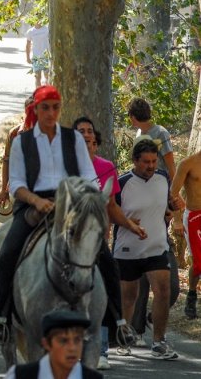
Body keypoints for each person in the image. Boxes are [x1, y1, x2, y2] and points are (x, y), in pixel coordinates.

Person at [0, 85, 97, 344]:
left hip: (70, 204)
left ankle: (117, 321)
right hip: (32, 205)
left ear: (61, 109)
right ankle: (2, 318)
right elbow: (15, 183)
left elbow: (89, 176)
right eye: (45, 107)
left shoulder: (73, 139)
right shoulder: (22, 141)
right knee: (5, 256)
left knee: (101, 254)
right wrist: (36, 200)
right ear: (35, 109)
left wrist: (78, 198)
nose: (51, 113)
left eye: (55, 107)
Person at [73, 116, 141, 369]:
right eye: (81, 132)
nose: (87, 135)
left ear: (95, 141)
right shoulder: (63, 167)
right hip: (68, 238)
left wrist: (130, 225)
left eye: (90, 132)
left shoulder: (106, 167)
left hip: (95, 239)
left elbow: (111, 207)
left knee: (110, 274)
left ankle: (113, 335)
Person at [115, 137, 181, 360]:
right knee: (128, 297)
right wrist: (129, 224)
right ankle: (124, 338)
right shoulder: (122, 182)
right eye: (146, 162)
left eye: (154, 161)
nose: (151, 166)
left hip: (157, 246)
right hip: (127, 248)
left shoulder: (163, 177)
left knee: (164, 291)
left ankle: (159, 342)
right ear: (135, 161)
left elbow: (167, 203)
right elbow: (110, 213)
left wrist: (173, 206)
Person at [127, 97, 180, 342]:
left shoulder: (161, 133)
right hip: (143, 200)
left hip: (161, 198)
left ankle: (152, 317)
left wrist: (171, 195)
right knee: (141, 273)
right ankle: (136, 328)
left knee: (163, 273)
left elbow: (171, 166)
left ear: (133, 117)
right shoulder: (140, 133)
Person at [4, 310, 103, 379]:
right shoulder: (19, 375)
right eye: (63, 341)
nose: (72, 348)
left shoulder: (93, 377)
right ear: (46, 343)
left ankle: (118, 321)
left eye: (77, 340)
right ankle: (2, 317)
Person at [171, 148, 201, 319]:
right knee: (198, 260)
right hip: (194, 216)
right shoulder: (188, 163)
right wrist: (176, 219)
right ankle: (191, 294)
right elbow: (173, 193)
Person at [26, 22, 50, 88]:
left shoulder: (47, 29)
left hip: (46, 56)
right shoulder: (30, 31)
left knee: (47, 76)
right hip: (36, 57)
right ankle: (39, 95)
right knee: (37, 77)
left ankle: (47, 94)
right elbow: (28, 45)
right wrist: (27, 57)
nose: (38, 21)